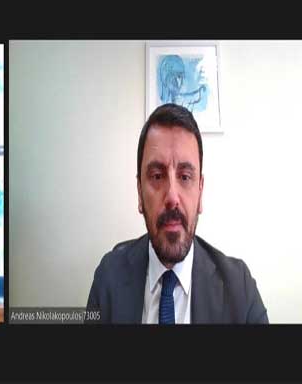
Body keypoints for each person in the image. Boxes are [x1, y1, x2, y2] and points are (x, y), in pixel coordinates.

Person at [86, 103, 268, 324]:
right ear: (139, 192)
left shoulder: (240, 289)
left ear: (200, 192)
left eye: (185, 177)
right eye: (157, 176)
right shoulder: (108, 278)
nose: (172, 196)